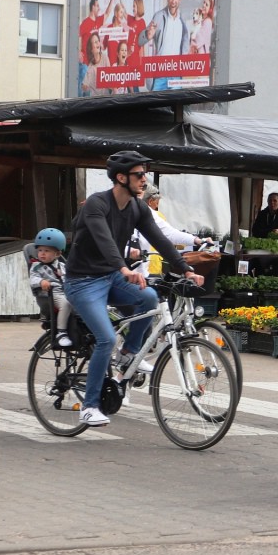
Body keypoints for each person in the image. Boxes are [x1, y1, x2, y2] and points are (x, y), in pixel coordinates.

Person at [63, 150, 205, 427]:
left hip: (111, 276)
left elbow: (160, 238)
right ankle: (89, 406)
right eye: (139, 175)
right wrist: (124, 268)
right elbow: (104, 239)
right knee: (104, 338)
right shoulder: (96, 204)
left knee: (149, 299)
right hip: (83, 281)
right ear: (121, 177)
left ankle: (128, 353)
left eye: (145, 174)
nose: (144, 180)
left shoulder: (138, 208)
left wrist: (184, 267)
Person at [131, 184, 209, 276]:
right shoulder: (117, 211)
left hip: (143, 273)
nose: (157, 205)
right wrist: (129, 252)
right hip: (123, 274)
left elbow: (169, 233)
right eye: (137, 194)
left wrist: (196, 240)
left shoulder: (149, 213)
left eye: (140, 193)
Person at [138, 0, 189, 89]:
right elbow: (139, 41)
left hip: (175, 76)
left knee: (176, 106)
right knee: (157, 106)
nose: (173, 0)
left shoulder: (182, 23)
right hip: (160, 75)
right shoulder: (159, 17)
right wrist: (147, 35)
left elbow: (185, 50)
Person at [29, 228, 73, 349]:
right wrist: (41, 281)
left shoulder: (62, 266)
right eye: (40, 250)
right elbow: (32, 279)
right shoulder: (36, 266)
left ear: (58, 254)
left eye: (47, 251)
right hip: (51, 293)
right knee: (66, 304)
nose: (42, 253)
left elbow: (69, 278)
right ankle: (61, 333)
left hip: (65, 291)